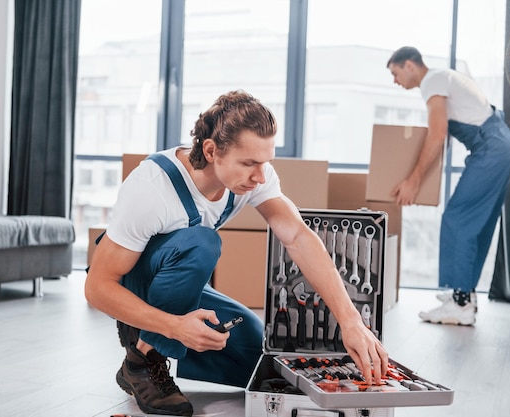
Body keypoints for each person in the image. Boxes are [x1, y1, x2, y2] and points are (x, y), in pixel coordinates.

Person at [85, 90, 388, 416]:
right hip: (131, 281)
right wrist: (174, 327)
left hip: (177, 281)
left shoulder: (254, 179)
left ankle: (163, 339)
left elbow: (298, 236)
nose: (260, 176)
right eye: (249, 163)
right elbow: (97, 288)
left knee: (259, 362)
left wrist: (351, 321)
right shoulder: (153, 188)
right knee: (202, 244)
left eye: (266, 162)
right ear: (212, 150)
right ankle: (143, 360)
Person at [386, 47, 510, 326]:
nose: (395, 81)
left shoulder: (432, 81)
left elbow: (437, 135)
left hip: (491, 147)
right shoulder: (443, 77)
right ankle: (465, 293)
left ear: (409, 65)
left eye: (395, 73)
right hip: (498, 144)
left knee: (458, 218)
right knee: (476, 223)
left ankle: (460, 303)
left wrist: (413, 181)